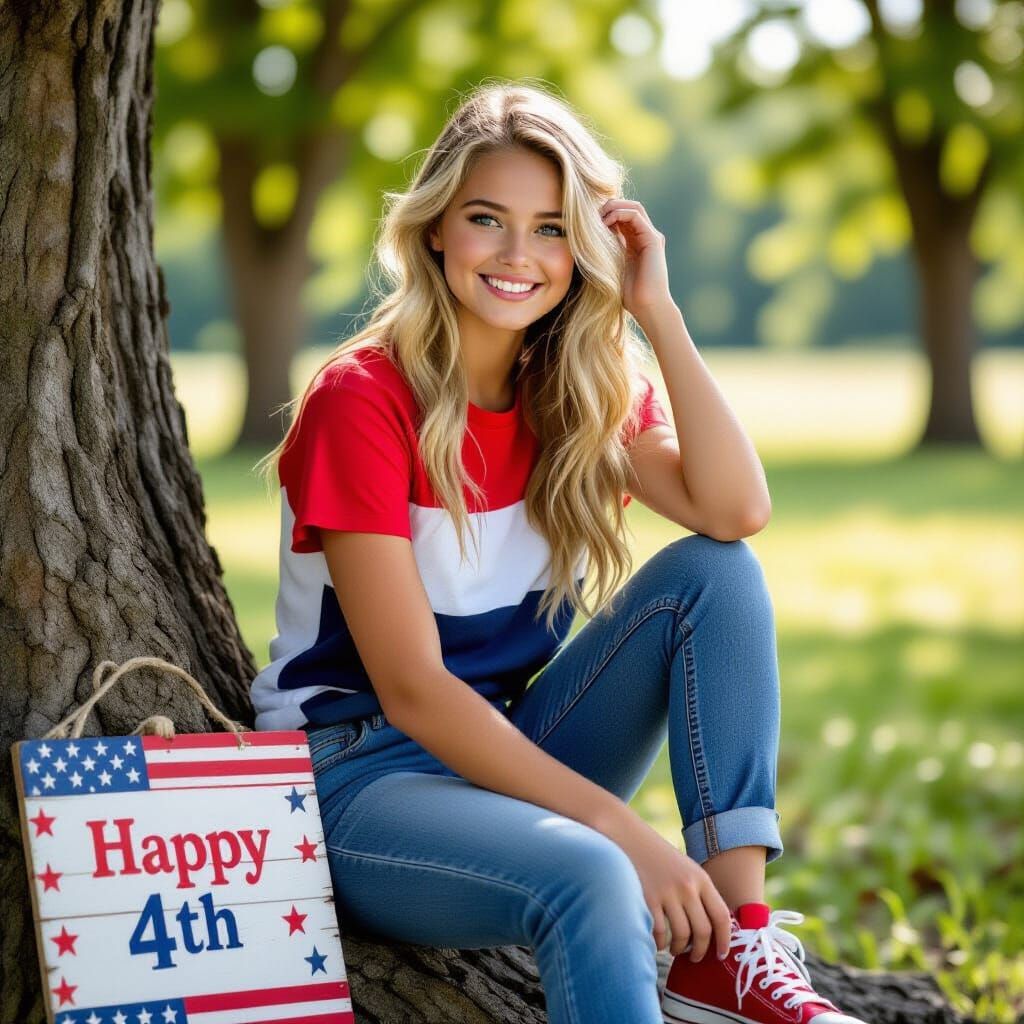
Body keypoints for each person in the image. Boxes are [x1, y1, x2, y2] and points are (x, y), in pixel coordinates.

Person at [251, 81, 867, 1024]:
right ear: (434, 232)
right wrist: (623, 831)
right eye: (487, 219)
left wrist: (655, 312)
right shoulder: (362, 399)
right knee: (593, 870)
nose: (516, 254)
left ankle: (734, 945)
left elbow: (736, 511)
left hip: (506, 748)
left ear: (584, 249)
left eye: (550, 228)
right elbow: (412, 688)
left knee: (714, 574)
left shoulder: (581, 395)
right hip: (355, 779)